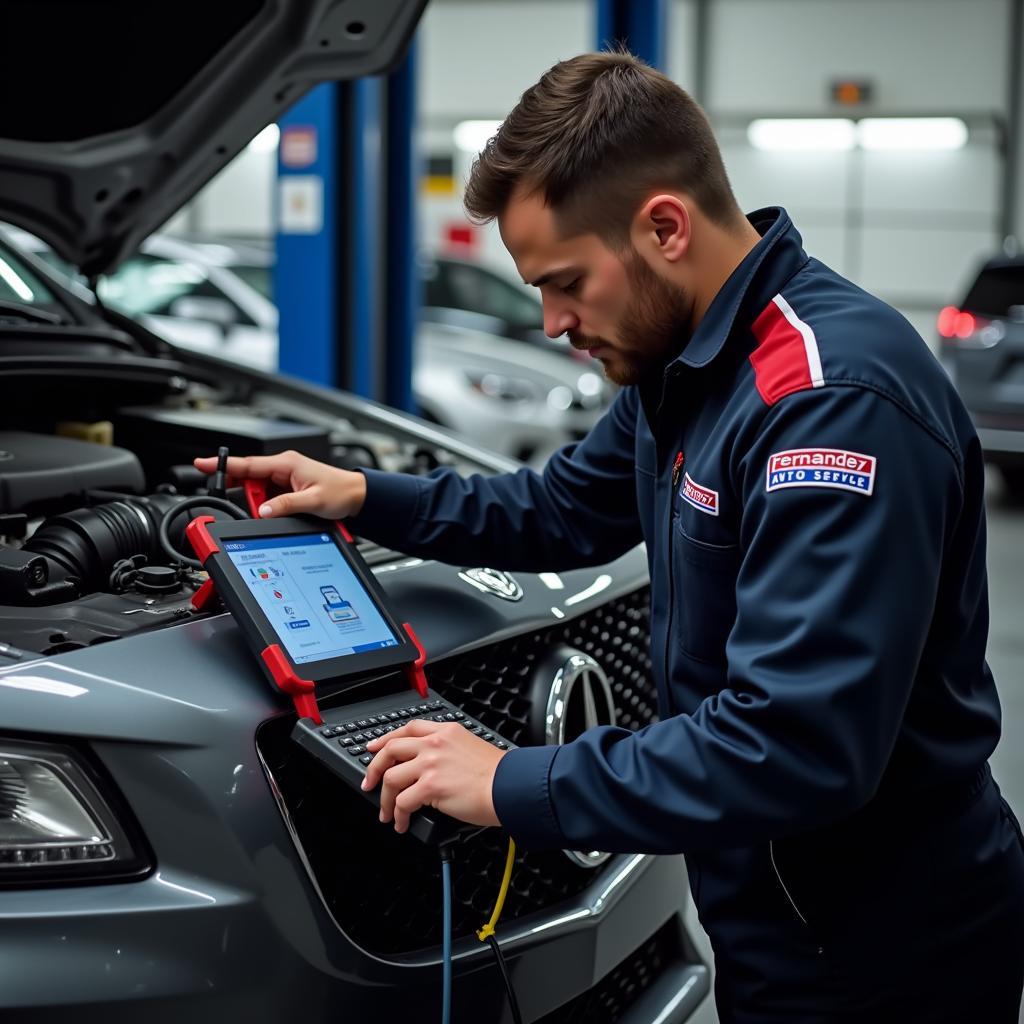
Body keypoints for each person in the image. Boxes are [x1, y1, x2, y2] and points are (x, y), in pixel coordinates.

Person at [196, 51, 1024, 1024]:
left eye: (565, 283)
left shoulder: (827, 406)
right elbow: (557, 509)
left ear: (663, 226)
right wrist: (363, 496)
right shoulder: (689, 364)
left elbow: (794, 744)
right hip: (780, 911)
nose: (551, 322)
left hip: (882, 946)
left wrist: (512, 780)